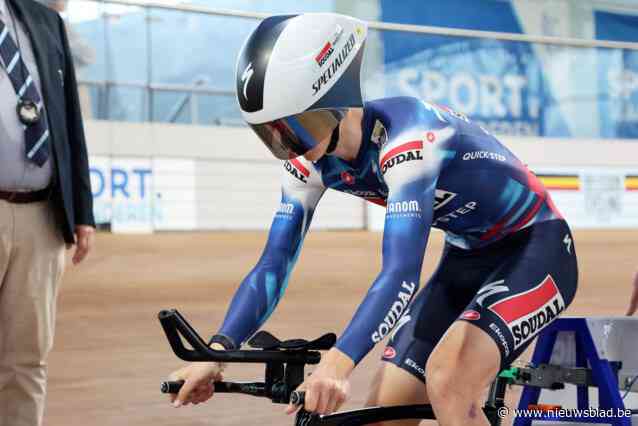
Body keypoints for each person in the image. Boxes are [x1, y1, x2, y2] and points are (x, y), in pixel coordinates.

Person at [167, 13, 578, 426]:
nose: (289, 145)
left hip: (537, 248)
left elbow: (401, 272)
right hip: (466, 258)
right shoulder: (310, 160)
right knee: (385, 411)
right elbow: (273, 263)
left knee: (449, 382)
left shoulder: (408, 139)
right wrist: (217, 352)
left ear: (335, 101)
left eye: (295, 127)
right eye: (274, 134)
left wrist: (338, 363)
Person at [0, 1, 95, 425]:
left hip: (42, 217)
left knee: (27, 358)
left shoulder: (47, 21)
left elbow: (69, 120)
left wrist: (83, 210)